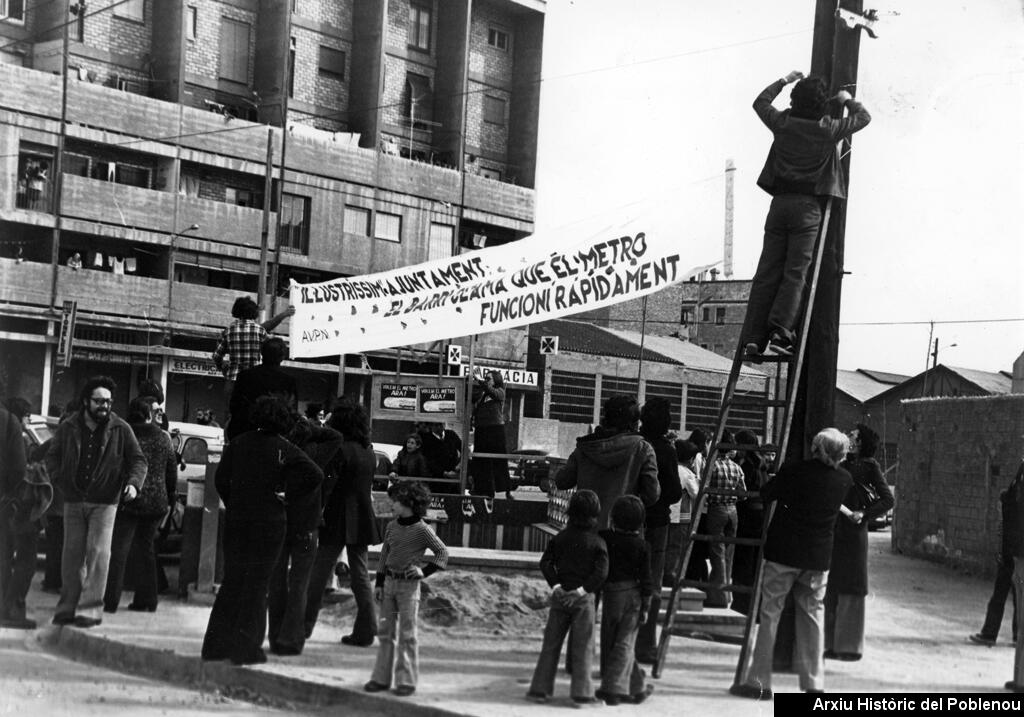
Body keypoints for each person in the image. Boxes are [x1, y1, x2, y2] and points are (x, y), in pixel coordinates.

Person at [741, 71, 871, 358]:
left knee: (766, 273)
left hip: (779, 205)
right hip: (808, 208)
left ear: (795, 99)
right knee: (795, 273)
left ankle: (753, 337)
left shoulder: (782, 123)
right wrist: (848, 101)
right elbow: (864, 118)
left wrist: (784, 79)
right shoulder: (828, 129)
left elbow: (760, 101)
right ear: (821, 104)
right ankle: (780, 332)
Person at [730, 428, 852, 699]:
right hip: (818, 558)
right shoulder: (845, 479)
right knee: (812, 619)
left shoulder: (795, 471)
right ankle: (814, 685)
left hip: (784, 553)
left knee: (770, 615)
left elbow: (766, 493)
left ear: (817, 448)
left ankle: (759, 683)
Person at [201, 396, 322, 665]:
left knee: (232, 581)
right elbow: (314, 474)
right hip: (269, 522)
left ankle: (215, 646)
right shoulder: (285, 448)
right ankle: (246, 648)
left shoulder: (238, 443)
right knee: (258, 585)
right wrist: (286, 493)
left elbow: (221, 479)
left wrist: (234, 501)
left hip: (238, 520)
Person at [44, 376, 147, 628]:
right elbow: (51, 456)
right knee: (71, 558)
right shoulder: (69, 426)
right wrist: (59, 479)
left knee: (99, 555)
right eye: (99, 401)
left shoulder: (121, 428)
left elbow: (138, 460)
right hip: (74, 499)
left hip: (105, 502)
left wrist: (133, 484)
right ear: (86, 401)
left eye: (109, 401)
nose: (105, 406)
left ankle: (89, 611)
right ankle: (67, 608)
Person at [304, 398, 381, 648]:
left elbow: (326, 483)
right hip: (361, 515)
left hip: (337, 513)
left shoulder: (339, 449)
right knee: (359, 573)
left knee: (319, 572)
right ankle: (367, 628)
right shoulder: (369, 452)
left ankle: (302, 626)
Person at [364, 480, 449, 698]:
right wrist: (380, 583)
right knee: (385, 632)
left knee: (407, 634)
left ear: (409, 503)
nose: (391, 504)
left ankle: (407, 680)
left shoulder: (422, 530)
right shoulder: (392, 526)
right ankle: (381, 678)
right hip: (390, 584)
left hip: (409, 588)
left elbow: (442, 553)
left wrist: (424, 572)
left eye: (396, 501)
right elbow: (384, 556)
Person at [268, 415, 343, 655]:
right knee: (300, 583)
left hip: (280, 521)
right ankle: (291, 639)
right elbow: (336, 436)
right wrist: (312, 428)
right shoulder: (317, 453)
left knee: (277, 581)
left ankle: (275, 635)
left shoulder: (279, 450)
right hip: (308, 523)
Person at [526, 489, 608, 706]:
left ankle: (539, 690)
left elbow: (545, 563)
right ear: (595, 514)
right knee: (583, 647)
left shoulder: (560, 538)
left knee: (550, 645)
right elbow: (601, 573)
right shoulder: (597, 542)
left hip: (560, 597)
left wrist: (557, 586)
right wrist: (582, 590)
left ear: (570, 511)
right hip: (583, 598)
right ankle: (582, 694)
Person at [823, 423, 894, 661]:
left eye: (852, 435)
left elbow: (887, 499)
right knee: (832, 586)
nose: (848, 436)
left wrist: (864, 513)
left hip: (854, 532)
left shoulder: (869, 466)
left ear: (860, 442)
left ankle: (850, 647)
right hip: (836, 530)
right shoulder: (839, 461)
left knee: (852, 587)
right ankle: (832, 644)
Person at [103, 397, 177, 613]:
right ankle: (148, 600)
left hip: (129, 499)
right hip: (156, 503)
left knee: (119, 551)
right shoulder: (163, 437)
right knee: (146, 550)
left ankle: (110, 601)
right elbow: (171, 470)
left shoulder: (123, 434)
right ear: (148, 416)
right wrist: (170, 496)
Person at [554, 395, 660, 530]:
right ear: (634, 422)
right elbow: (652, 495)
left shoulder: (586, 447)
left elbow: (562, 481)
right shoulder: (643, 449)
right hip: (623, 531)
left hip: (586, 531)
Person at [635, 398, 682, 663]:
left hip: (630, 518)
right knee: (651, 583)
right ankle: (646, 644)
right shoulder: (666, 450)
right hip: (657, 521)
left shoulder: (635, 443)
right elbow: (674, 492)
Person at [597, 495, 655, 705]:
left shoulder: (604, 538)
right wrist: (646, 605)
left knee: (614, 640)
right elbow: (647, 579)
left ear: (613, 519)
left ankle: (637, 686)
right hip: (633, 595)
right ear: (640, 524)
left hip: (610, 594)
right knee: (625, 642)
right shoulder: (642, 546)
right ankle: (612, 688)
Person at [970, 460, 1024, 647]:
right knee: (1010, 591)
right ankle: (1007, 635)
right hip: (1013, 545)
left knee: (1009, 591)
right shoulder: (1022, 467)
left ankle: (992, 633)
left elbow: (1019, 509)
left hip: (1016, 547)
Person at [212, 296, 294, 405]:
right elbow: (270, 351)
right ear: (254, 312)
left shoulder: (228, 331)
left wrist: (222, 367)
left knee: (232, 416)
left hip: (233, 381)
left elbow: (216, 356)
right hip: (255, 380)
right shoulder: (260, 331)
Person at [0, 402, 40, 629]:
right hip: (7, 502)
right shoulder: (8, 421)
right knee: (25, 556)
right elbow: (17, 469)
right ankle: (12, 610)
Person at [226, 336, 298, 441]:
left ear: (262, 354)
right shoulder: (288, 382)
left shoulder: (245, 376)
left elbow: (234, 406)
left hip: (243, 435)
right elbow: (291, 414)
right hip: (274, 439)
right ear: (282, 356)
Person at [705, 430, 746, 608]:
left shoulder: (712, 466)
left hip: (717, 509)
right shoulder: (737, 467)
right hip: (733, 510)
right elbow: (743, 493)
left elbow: (704, 488)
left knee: (717, 553)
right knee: (728, 553)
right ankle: (725, 594)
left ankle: (718, 596)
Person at [731, 429, 770, 615]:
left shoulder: (746, 465)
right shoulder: (761, 463)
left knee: (743, 561)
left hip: (747, 515)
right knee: (753, 561)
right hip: (759, 516)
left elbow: (742, 491)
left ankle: (741, 604)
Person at [469, 370, 512, 505]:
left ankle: (505, 490)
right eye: (486, 378)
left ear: (496, 380)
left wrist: (480, 380)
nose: (486, 380)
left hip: (495, 430)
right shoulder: (483, 394)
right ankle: (483, 489)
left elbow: (491, 391)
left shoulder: (500, 392)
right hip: (482, 429)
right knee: (481, 460)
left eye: (489, 378)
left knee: (498, 460)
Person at [664, 439, 701, 588]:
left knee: (666, 546)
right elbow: (696, 494)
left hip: (667, 514)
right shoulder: (687, 474)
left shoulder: (670, 468)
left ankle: (664, 574)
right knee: (676, 548)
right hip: (681, 516)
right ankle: (671, 576)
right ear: (691, 459)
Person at [418, 421, 462, 489]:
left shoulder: (451, 434)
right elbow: (427, 461)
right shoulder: (426, 439)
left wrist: (459, 465)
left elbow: (464, 449)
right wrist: (444, 473)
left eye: (440, 424)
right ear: (431, 426)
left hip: (454, 474)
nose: (439, 427)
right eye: (436, 425)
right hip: (436, 478)